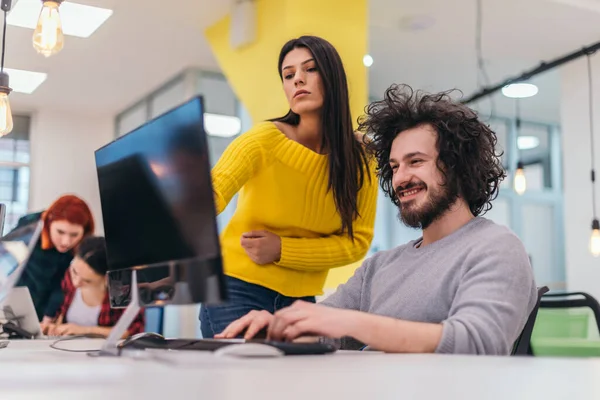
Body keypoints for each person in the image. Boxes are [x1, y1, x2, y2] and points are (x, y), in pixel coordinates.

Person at [215, 84, 538, 355]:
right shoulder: (380, 267)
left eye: (415, 161)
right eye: (395, 167)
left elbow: (479, 344)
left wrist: (354, 323)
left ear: (455, 167)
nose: (401, 178)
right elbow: (325, 325)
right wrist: (278, 327)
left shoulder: (496, 247)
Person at [200, 35, 379, 338]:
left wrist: (282, 249)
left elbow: (356, 242)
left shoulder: (361, 158)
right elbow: (212, 192)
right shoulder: (263, 140)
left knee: (294, 384)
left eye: (310, 69)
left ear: (332, 76)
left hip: (301, 300)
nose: (298, 79)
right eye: (288, 74)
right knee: (243, 382)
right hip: (235, 287)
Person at [3, 194, 95, 327]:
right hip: (12, 301)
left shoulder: (77, 248)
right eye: (60, 232)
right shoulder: (29, 228)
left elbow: (61, 282)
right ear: (49, 222)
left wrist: (49, 315)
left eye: (74, 235)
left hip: (42, 310)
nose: (66, 242)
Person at [44, 236, 145, 338]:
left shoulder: (123, 291)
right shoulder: (69, 277)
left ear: (106, 278)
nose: (76, 283)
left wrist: (84, 330)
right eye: (74, 271)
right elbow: (60, 313)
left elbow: (131, 331)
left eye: (87, 281)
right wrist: (52, 328)